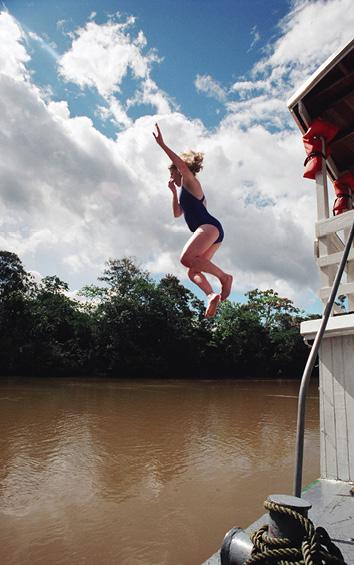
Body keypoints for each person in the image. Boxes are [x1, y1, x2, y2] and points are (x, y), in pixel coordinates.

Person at [153, 123, 233, 317]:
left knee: (186, 259)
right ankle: (211, 295)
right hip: (212, 232)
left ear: (180, 171)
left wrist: (162, 145)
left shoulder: (191, 182)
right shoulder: (183, 191)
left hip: (209, 227)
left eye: (172, 172)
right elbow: (177, 214)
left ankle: (224, 277)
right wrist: (173, 192)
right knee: (192, 270)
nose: (171, 176)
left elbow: (180, 164)